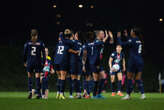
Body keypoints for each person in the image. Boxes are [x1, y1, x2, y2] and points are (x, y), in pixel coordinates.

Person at [117, 28, 146, 100]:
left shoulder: (132, 40)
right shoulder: (139, 40)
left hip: (133, 60)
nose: (130, 32)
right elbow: (131, 42)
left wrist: (119, 37)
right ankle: (143, 94)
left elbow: (122, 44)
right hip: (140, 60)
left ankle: (128, 95)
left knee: (129, 78)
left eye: (131, 31)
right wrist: (127, 36)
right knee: (138, 78)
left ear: (133, 33)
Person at [54, 29, 78, 100]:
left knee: (59, 77)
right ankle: (61, 94)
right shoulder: (69, 42)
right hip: (63, 61)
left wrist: (61, 35)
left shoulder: (59, 42)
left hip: (56, 60)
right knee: (63, 77)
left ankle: (58, 93)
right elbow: (70, 48)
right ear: (70, 35)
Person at [24, 29, 46, 99]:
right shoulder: (40, 43)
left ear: (31, 35)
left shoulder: (27, 43)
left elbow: (24, 53)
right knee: (37, 77)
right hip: (37, 62)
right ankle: (38, 94)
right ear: (37, 35)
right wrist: (44, 61)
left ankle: (30, 92)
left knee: (30, 77)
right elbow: (44, 53)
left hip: (30, 62)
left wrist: (24, 61)